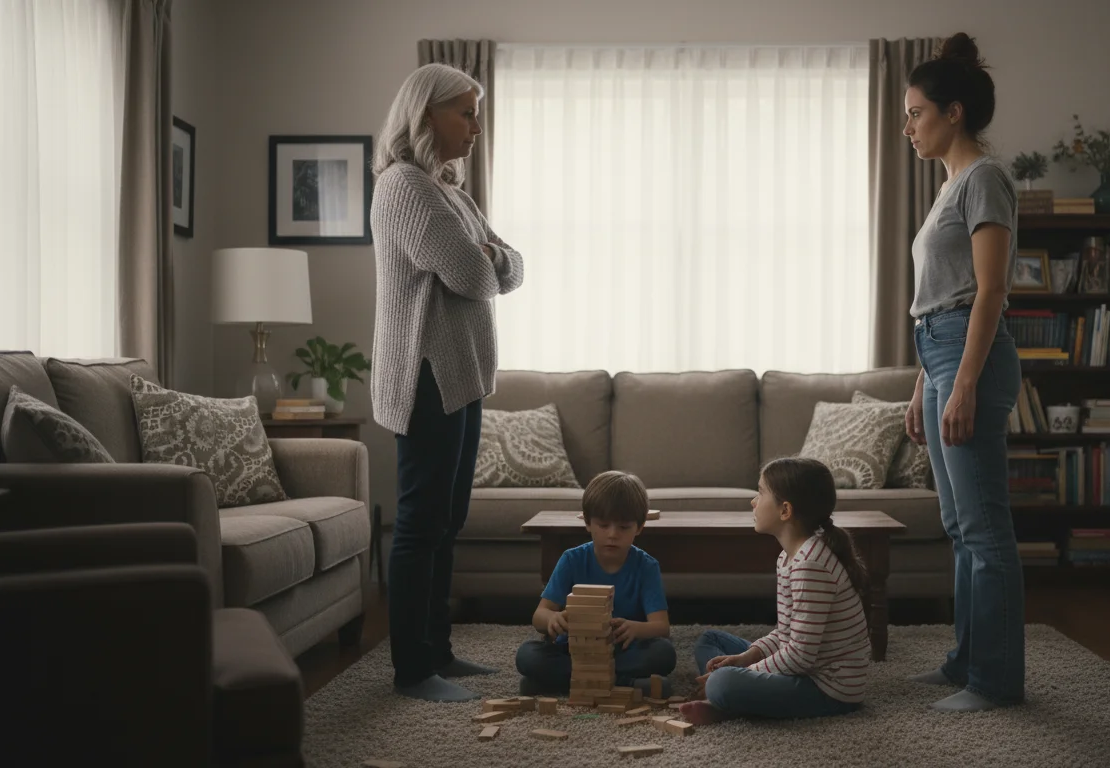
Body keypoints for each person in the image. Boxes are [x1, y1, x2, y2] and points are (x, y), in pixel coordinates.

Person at [369, 62, 525, 702]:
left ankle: (439, 652)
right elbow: (472, 273)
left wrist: (489, 258)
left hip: (462, 376)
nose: (476, 127)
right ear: (425, 113)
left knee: (448, 519)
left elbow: (512, 266)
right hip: (425, 374)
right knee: (420, 522)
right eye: (466, 112)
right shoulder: (404, 187)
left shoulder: (451, 192)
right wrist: (486, 258)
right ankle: (412, 670)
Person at [901, 33, 1025, 712]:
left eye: (916, 113)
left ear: (952, 111)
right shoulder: (951, 185)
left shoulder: (986, 178)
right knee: (959, 527)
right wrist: (925, 383)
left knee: (984, 529)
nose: (909, 127)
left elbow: (988, 291)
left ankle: (996, 681)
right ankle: (966, 661)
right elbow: (937, 296)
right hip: (940, 351)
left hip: (969, 352)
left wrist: (967, 380)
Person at [678, 457, 870, 725]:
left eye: (760, 492)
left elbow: (801, 657)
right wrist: (746, 657)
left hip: (828, 688)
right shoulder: (788, 557)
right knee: (710, 641)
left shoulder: (811, 564)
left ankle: (726, 701)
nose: (753, 502)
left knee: (723, 680)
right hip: (801, 668)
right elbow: (786, 634)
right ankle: (732, 699)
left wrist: (743, 670)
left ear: (785, 510)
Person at [515, 471, 676, 695]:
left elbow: (661, 627)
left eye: (623, 527)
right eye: (603, 525)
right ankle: (624, 684)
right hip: (574, 651)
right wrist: (553, 619)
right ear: (587, 522)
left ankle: (559, 685)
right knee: (527, 655)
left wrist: (635, 628)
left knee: (663, 653)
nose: (612, 535)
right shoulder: (571, 559)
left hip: (622, 651)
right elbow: (539, 616)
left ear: (639, 527)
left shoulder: (646, 566)